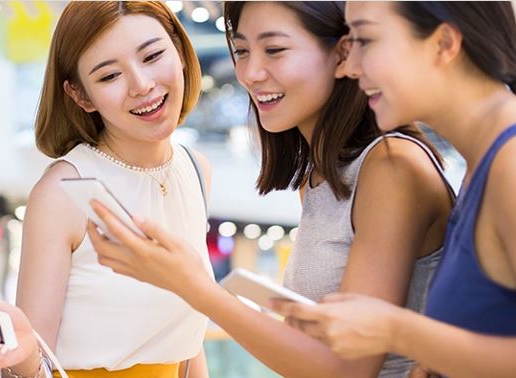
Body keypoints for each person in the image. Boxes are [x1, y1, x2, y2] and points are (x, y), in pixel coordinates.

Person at [89, 2, 454, 377]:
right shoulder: (322, 179)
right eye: (242, 51)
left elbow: (349, 368)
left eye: (274, 50)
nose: (250, 73)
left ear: (343, 53)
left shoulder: (391, 167)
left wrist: (195, 286)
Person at [0, 2, 213, 377]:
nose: (142, 85)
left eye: (154, 55)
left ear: (179, 48)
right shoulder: (63, 190)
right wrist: (19, 350)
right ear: (81, 96)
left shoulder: (195, 169)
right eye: (110, 76)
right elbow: (31, 365)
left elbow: (187, 345)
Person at [271, 2, 516, 377]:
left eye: (366, 39)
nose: (350, 66)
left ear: (444, 43)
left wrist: (397, 332)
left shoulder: (509, 164)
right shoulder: (482, 164)